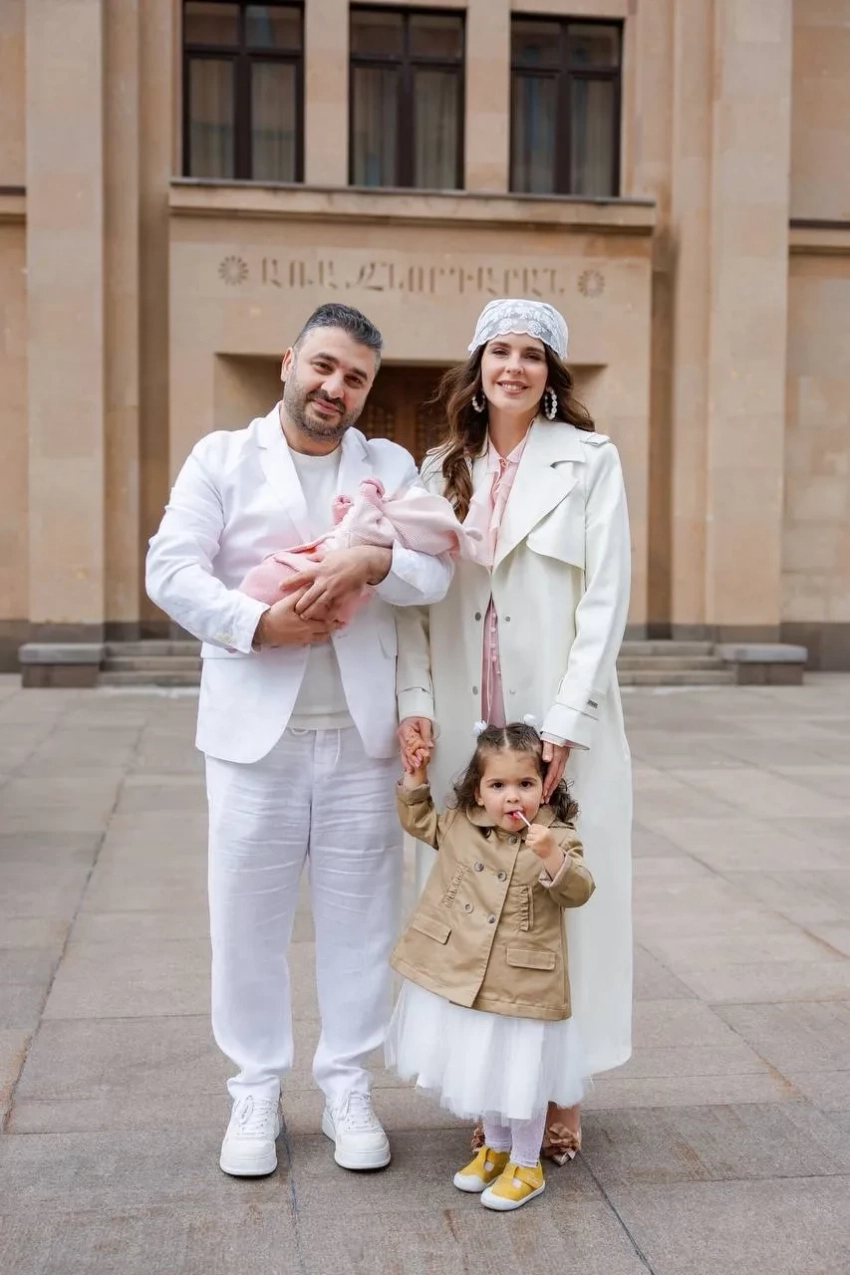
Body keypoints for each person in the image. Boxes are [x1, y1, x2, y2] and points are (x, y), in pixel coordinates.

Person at [146, 303, 453, 1178]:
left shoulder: (389, 465)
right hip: (255, 739)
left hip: (362, 737)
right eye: (323, 366)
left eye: (355, 378)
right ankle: (254, 1087)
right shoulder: (221, 456)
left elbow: (436, 571)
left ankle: (348, 1083)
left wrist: (375, 561)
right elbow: (170, 567)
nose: (335, 388)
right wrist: (257, 624)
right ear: (289, 362)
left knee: (364, 920)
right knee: (246, 920)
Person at [396, 298, 633, 1163]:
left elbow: (605, 597)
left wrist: (567, 721)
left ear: (551, 375)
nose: (514, 367)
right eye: (500, 350)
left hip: (557, 724)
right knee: (473, 904)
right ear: (478, 366)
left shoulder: (591, 462)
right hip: (468, 729)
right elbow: (410, 606)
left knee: (557, 898)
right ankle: (494, 1086)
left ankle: (561, 1088)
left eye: (532, 354)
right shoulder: (437, 469)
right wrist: (415, 701)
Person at [386, 721, 595, 1211]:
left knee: (520, 1074)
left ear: (545, 786)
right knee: (485, 1066)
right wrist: (415, 775)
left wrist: (551, 855)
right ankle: (496, 1150)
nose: (512, 797)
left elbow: (579, 889)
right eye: (497, 785)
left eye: (525, 783)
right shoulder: (462, 825)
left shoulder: (557, 835)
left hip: (524, 982)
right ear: (478, 791)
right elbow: (420, 821)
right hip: (468, 976)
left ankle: (526, 1164)